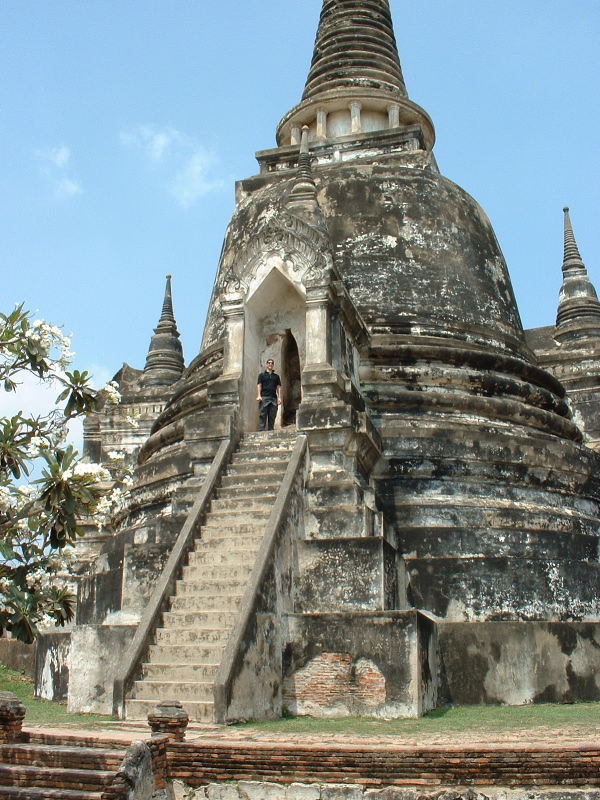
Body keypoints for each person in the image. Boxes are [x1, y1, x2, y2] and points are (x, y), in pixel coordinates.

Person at [256, 359, 282, 431]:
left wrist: (279, 397)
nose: (270, 364)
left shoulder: (276, 376)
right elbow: (259, 385)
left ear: (273, 365)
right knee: (263, 414)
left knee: (272, 415)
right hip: (264, 397)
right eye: (269, 363)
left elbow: (278, 387)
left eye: (272, 363)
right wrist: (259, 395)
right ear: (266, 364)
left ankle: (271, 430)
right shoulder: (262, 375)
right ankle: (261, 430)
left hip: (273, 398)